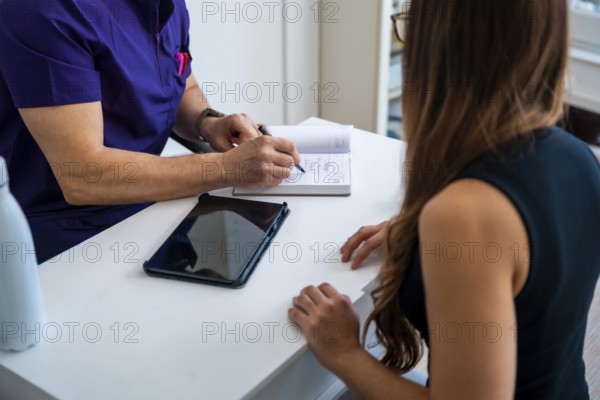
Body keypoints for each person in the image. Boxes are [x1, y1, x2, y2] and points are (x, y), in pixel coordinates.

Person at [289, 1, 600, 399]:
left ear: (438, 45)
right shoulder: (578, 157)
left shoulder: (465, 214)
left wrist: (345, 353)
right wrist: (424, 237)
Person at [0, 0, 300, 263]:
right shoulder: (43, 10)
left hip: (152, 203)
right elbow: (83, 175)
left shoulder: (165, 6)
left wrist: (207, 122)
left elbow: (183, 86)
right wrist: (226, 168)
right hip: (62, 237)